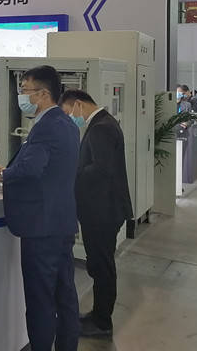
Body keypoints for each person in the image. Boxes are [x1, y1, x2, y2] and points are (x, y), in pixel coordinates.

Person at [0, 65, 80, 351]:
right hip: (61, 221)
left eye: (24, 90)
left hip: (41, 227)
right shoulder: (67, 123)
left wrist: (3, 174)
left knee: (41, 299)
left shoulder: (46, 127)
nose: (22, 96)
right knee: (64, 294)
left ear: (42, 94)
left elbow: (31, 168)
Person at [60, 89, 132, 338]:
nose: (70, 118)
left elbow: (101, 169)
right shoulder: (103, 123)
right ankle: (99, 314)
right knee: (100, 264)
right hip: (102, 208)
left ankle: (102, 323)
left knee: (102, 266)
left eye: (68, 112)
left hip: (103, 210)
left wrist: (72, 175)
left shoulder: (101, 127)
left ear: (78, 104)